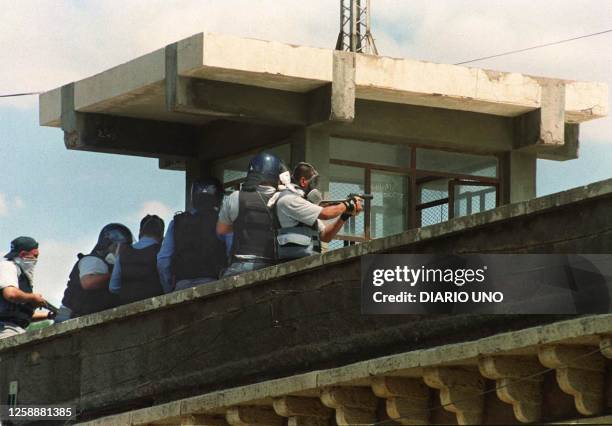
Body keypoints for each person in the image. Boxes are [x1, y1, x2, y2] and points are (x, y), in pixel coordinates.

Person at [217, 152, 288, 277]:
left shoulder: (236, 197)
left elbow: (221, 230)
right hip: (273, 266)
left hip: (240, 265)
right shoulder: (285, 200)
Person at [274, 162, 363, 260]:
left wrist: (344, 216)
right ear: (303, 181)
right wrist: (347, 204)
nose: (315, 187)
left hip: (308, 261)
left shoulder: (303, 203)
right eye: (313, 182)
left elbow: (325, 236)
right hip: (292, 263)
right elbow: (326, 214)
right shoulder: (290, 199)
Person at [157, 178, 227, 292]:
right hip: (212, 285)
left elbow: (162, 260)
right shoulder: (221, 220)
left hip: (181, 285)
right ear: (219, 197)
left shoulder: (176, 222)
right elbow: (231, 250)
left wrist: (169, 289)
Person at [59, 223, 133, 319]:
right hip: (70, 316)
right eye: (123, 247)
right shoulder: (93, 260)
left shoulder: (106, 263)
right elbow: (88, 283)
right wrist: (115, 274)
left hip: (82, 317)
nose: (125, 251)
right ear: (110, 244)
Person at [0, 237, 54, 339]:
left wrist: (48, 315)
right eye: (35, 255)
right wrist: (33, 298)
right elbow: (11, 294)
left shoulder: (21, 275)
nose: (36, 259)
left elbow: (21, 315)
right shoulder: (7, 266)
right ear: (23, 254)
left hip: (13, 328)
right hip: (5, 329)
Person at [110, 215, 165, 305]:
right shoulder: (161, 251)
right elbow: (165, 277)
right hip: (155, 305)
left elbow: (113, 287)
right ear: (161, 235)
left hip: (127, 306)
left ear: (140, 233)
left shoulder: (123, 253)